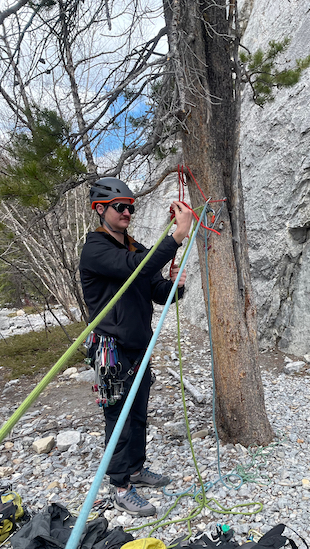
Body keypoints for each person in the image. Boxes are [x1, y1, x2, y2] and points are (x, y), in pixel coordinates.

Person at [79, 177, 192, 516]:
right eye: (120, 207)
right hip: (112, 347)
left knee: (139, 410)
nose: (127, 212)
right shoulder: (96, 249)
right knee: (119, 416)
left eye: (131, 206)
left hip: (138, 345)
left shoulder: (134, 246)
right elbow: (134, 270)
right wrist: (177, 235)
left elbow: (157, 291)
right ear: (101, 210)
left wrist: (175, 285)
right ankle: (120, 486)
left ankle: (136, 469)